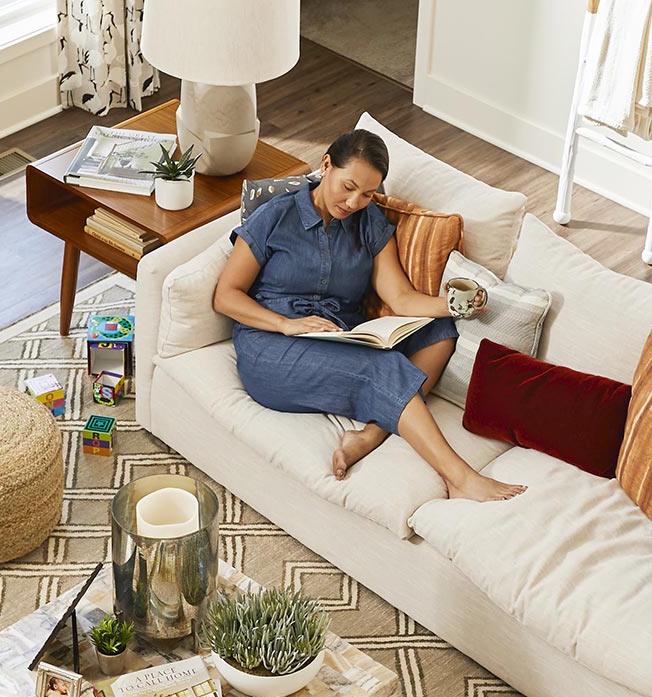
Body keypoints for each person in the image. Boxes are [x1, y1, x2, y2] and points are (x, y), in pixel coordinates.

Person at [214, 129, 526, 502]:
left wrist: (454, 305)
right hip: (271, 345)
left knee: (440, 331)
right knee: (383, 368)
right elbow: (226, 296)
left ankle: (370, 434)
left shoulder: (370, 222)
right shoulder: (276, 216)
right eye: (348, 187)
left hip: (336, 338)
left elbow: (400, 296)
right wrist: (287, 324)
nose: (353, 202)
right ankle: (459, 476)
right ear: (326, 164)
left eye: (366, 194)